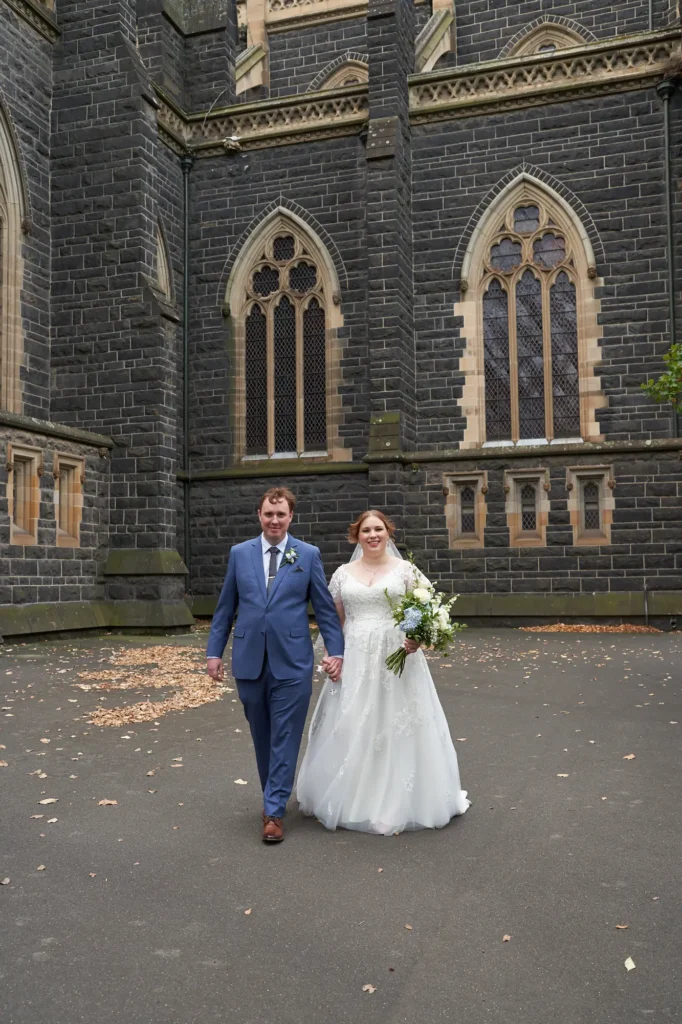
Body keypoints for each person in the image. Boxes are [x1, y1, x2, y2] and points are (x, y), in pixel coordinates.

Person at [296, 509, 470, 835]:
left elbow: (428, 610)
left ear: (388, 533)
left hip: (397, 654)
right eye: (366, 530)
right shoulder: (343, 573)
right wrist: (334, 656)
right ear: (356, 536)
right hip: (356, 654)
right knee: (353, 721)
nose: (373, 535)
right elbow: (334, 621)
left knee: (395, 724)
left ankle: (394, 803)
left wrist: (418, 636)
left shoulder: (406, 571)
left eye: (379, 529)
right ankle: (350, 798)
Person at [206, 487, 344, 843]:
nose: (274, 520)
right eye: (269, 514)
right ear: (259, 515)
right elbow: (225, 608)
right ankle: (274, 795)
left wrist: (336, 651)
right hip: (250, 661)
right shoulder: (240, 554)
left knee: (285, 734)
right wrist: (213, 653)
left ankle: (273, 811)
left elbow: (326, 612)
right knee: (262, 733)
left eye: (281, 514)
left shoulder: (307, 555)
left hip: (293, 662)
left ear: (290, 517)